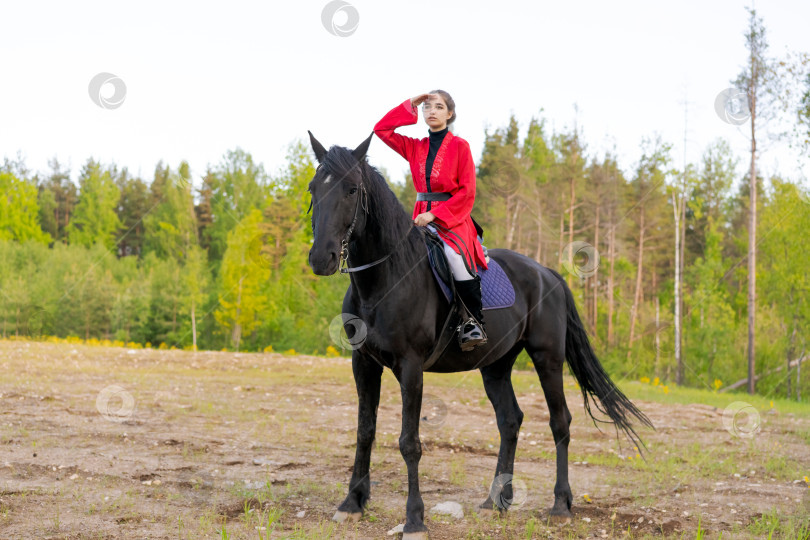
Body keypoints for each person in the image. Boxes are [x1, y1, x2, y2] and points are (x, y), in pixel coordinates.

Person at [373, 90, 488, 351]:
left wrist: (435, 214)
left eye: (438, 107)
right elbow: (381, 130)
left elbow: (467, 192)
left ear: (449, 114)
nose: (431, 111)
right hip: (418, 219)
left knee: (455, 257)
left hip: (452, 220)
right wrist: (409, 106)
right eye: (426, 107)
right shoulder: (416, 147)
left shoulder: (460, 146)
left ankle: (473, 322)